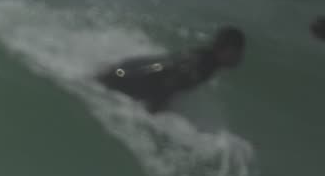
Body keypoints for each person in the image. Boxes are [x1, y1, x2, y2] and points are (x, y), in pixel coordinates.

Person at [96, 26, 245, 113]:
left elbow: (166, 68)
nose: (240, 57)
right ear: (228, 51)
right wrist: (151, 114)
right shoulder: (203, 66)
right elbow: (170, 80)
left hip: (129, 70)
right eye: (239, 52)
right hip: (128, 78)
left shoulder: (204, 57)